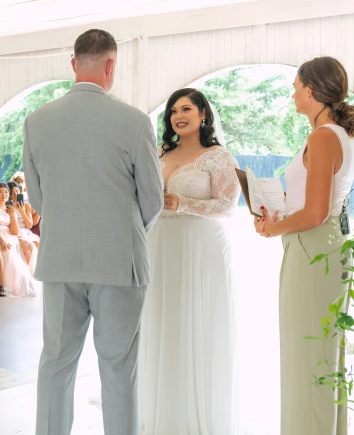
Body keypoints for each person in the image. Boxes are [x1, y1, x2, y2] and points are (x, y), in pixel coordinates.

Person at [23, 29, 163, 435]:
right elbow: (152, 200)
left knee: (56, 362)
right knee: (118, 367)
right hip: (119, 263)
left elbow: (38, 197)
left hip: (61, 258)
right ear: (111, 66)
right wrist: (124, 231)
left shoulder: (36, 121)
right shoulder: (135, 122)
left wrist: (69, 223)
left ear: (73, 64)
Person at [255, 56, 353, 435]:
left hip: (314, 249)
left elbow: (314, 213)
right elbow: (315, 203)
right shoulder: (339, 134)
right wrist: (278, 211)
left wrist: (273, 228)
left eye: (296, 87)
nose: (293, 93)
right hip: (322, 246)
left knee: (308, 359)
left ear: (310, 90)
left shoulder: (324, 136)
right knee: (322, 358)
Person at [138, 88, 239, 434]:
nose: (178, 116)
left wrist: (182, 202)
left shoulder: (218, 157)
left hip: (200, 246)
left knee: (194, 321)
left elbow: (227, 206)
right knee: (161, 320)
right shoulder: (161, 151)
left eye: (186, 109)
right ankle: (160, 410)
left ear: (203, 115)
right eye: (173, 111)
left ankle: (192, 415)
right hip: (160, 243)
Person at [0, 184, 37, 297]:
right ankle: (2, 285)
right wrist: (1, 240)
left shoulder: (9, 208)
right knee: (7, 253)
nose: (4, 194)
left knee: (16, 252)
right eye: (0, 192)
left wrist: (13, 215)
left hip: (10, 237)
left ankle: (18, 285)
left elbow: (15, 231)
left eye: (6, 192)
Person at [7, 181, 40, 249]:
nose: (15, 194)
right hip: (13, 232)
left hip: (25, 232)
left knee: (37, 244)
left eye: (17, 191)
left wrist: (22, 211)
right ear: (9, 195)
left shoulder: (26, 205)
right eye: (12, 193)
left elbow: (29, 225)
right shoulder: (8, 206)